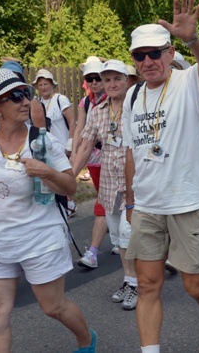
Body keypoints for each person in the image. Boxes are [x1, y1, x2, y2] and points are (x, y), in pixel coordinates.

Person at [0, 69, 96, 353]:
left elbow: (69, 188)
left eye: (26, 94)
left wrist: (46, 171)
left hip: (39, 238)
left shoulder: (41, 142)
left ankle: (86, 339)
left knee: (53, 307)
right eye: (15, 96)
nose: (25, 101)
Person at [122, 0, 199, 353]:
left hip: (188, 200)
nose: (148, 61)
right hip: (149, 204)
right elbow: (132, 150)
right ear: (134, 60)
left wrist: (192, 40)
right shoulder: (133, 97)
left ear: (169, 54)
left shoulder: (187, 82)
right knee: (147, 284)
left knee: (195, 286)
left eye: (156, 53)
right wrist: (131, 200)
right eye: (140, 55)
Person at [73, 59, 138, 311]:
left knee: (126, 235)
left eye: (116, 79)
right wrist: (70, 177)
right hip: (109, 186)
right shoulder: (97, 111)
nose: (111, 84)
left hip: (134, 185)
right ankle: (129, 280)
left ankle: (137, 284)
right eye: (106, 79)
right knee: (118, 239)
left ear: (126, 80)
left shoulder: (137, 107)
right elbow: (86, 145)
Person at [72, 58, 111, 268]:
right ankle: (118, 233)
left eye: (98, 78)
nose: (95, 82)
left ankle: (93, 252)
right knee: (104, 196)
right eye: (90, 79)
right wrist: (75, 150)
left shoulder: (114, 98)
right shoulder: (86, 102)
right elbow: (80, 127)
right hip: (94, 156)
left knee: (104, 201)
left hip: (114, 157)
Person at [32, 68, 76, 152]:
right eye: (40, 85)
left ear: (52, 84)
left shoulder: (60, 99)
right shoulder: (37, 103)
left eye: (46, 84)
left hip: (63, 149)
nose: (43, 87)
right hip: (47, 150)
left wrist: (70, 145)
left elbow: (72, 122)